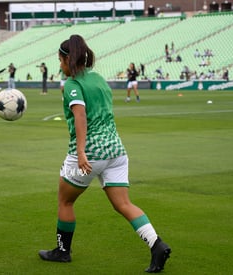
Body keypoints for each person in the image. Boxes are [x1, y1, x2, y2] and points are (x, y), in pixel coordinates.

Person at [38, 34, 171, 273]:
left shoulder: (72, 84)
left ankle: (62, 252)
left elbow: (80, 115)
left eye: (60, 61)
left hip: (90, 153)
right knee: (123, 203)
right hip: (116, 150)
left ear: (67, 60)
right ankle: (156, 244)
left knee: (65, 201)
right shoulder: (98, 78)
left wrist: (80, 152)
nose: (60, 66)